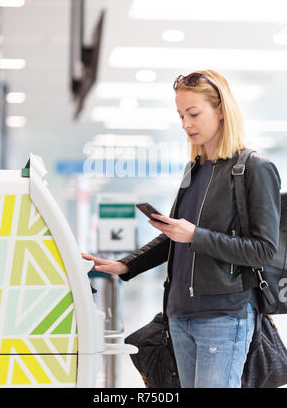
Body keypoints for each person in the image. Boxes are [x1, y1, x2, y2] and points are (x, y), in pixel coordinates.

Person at [82, 70, 281, 388]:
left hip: (224, 315)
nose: (186, 124)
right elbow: (174, 237)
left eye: (193, 114)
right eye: (180, 116)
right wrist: (125, 265)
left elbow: (264, 249)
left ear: (220, 110)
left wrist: (196, 236)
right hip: (179, 314)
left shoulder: (254, 168)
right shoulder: (195, 170)